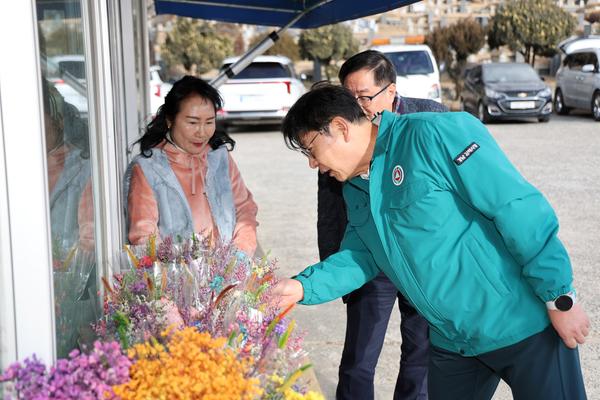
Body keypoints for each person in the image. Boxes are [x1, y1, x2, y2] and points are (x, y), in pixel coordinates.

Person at [276, 84, 589, 400]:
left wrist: (559, 296)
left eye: (309, 148)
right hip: (453, 341)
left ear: (341, 127)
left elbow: (516, 208)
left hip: (522, 325)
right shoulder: (355, 188)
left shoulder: (433, 135)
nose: (312, 163)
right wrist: (302, 287)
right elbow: (360, 257)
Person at [317, 50, 446, 400]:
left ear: (391, 90)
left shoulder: (430, 117)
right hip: (369, 256)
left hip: (422, 261)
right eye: (349, 97)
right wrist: (334, 266)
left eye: (363, 97)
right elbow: (329, 206)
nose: (356, 106)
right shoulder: (339, 130)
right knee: (360, 354)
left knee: (420, 350)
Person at [124, 76, 258, 256]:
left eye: (209, 122)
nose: (202, 132)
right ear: (170, 120)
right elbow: (144, 235)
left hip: (228, 272)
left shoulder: (219, 158)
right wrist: (179, 275)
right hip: (176, 277)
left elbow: (245, 208)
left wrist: (240, 254)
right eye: (193, 122)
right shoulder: (149, 168)